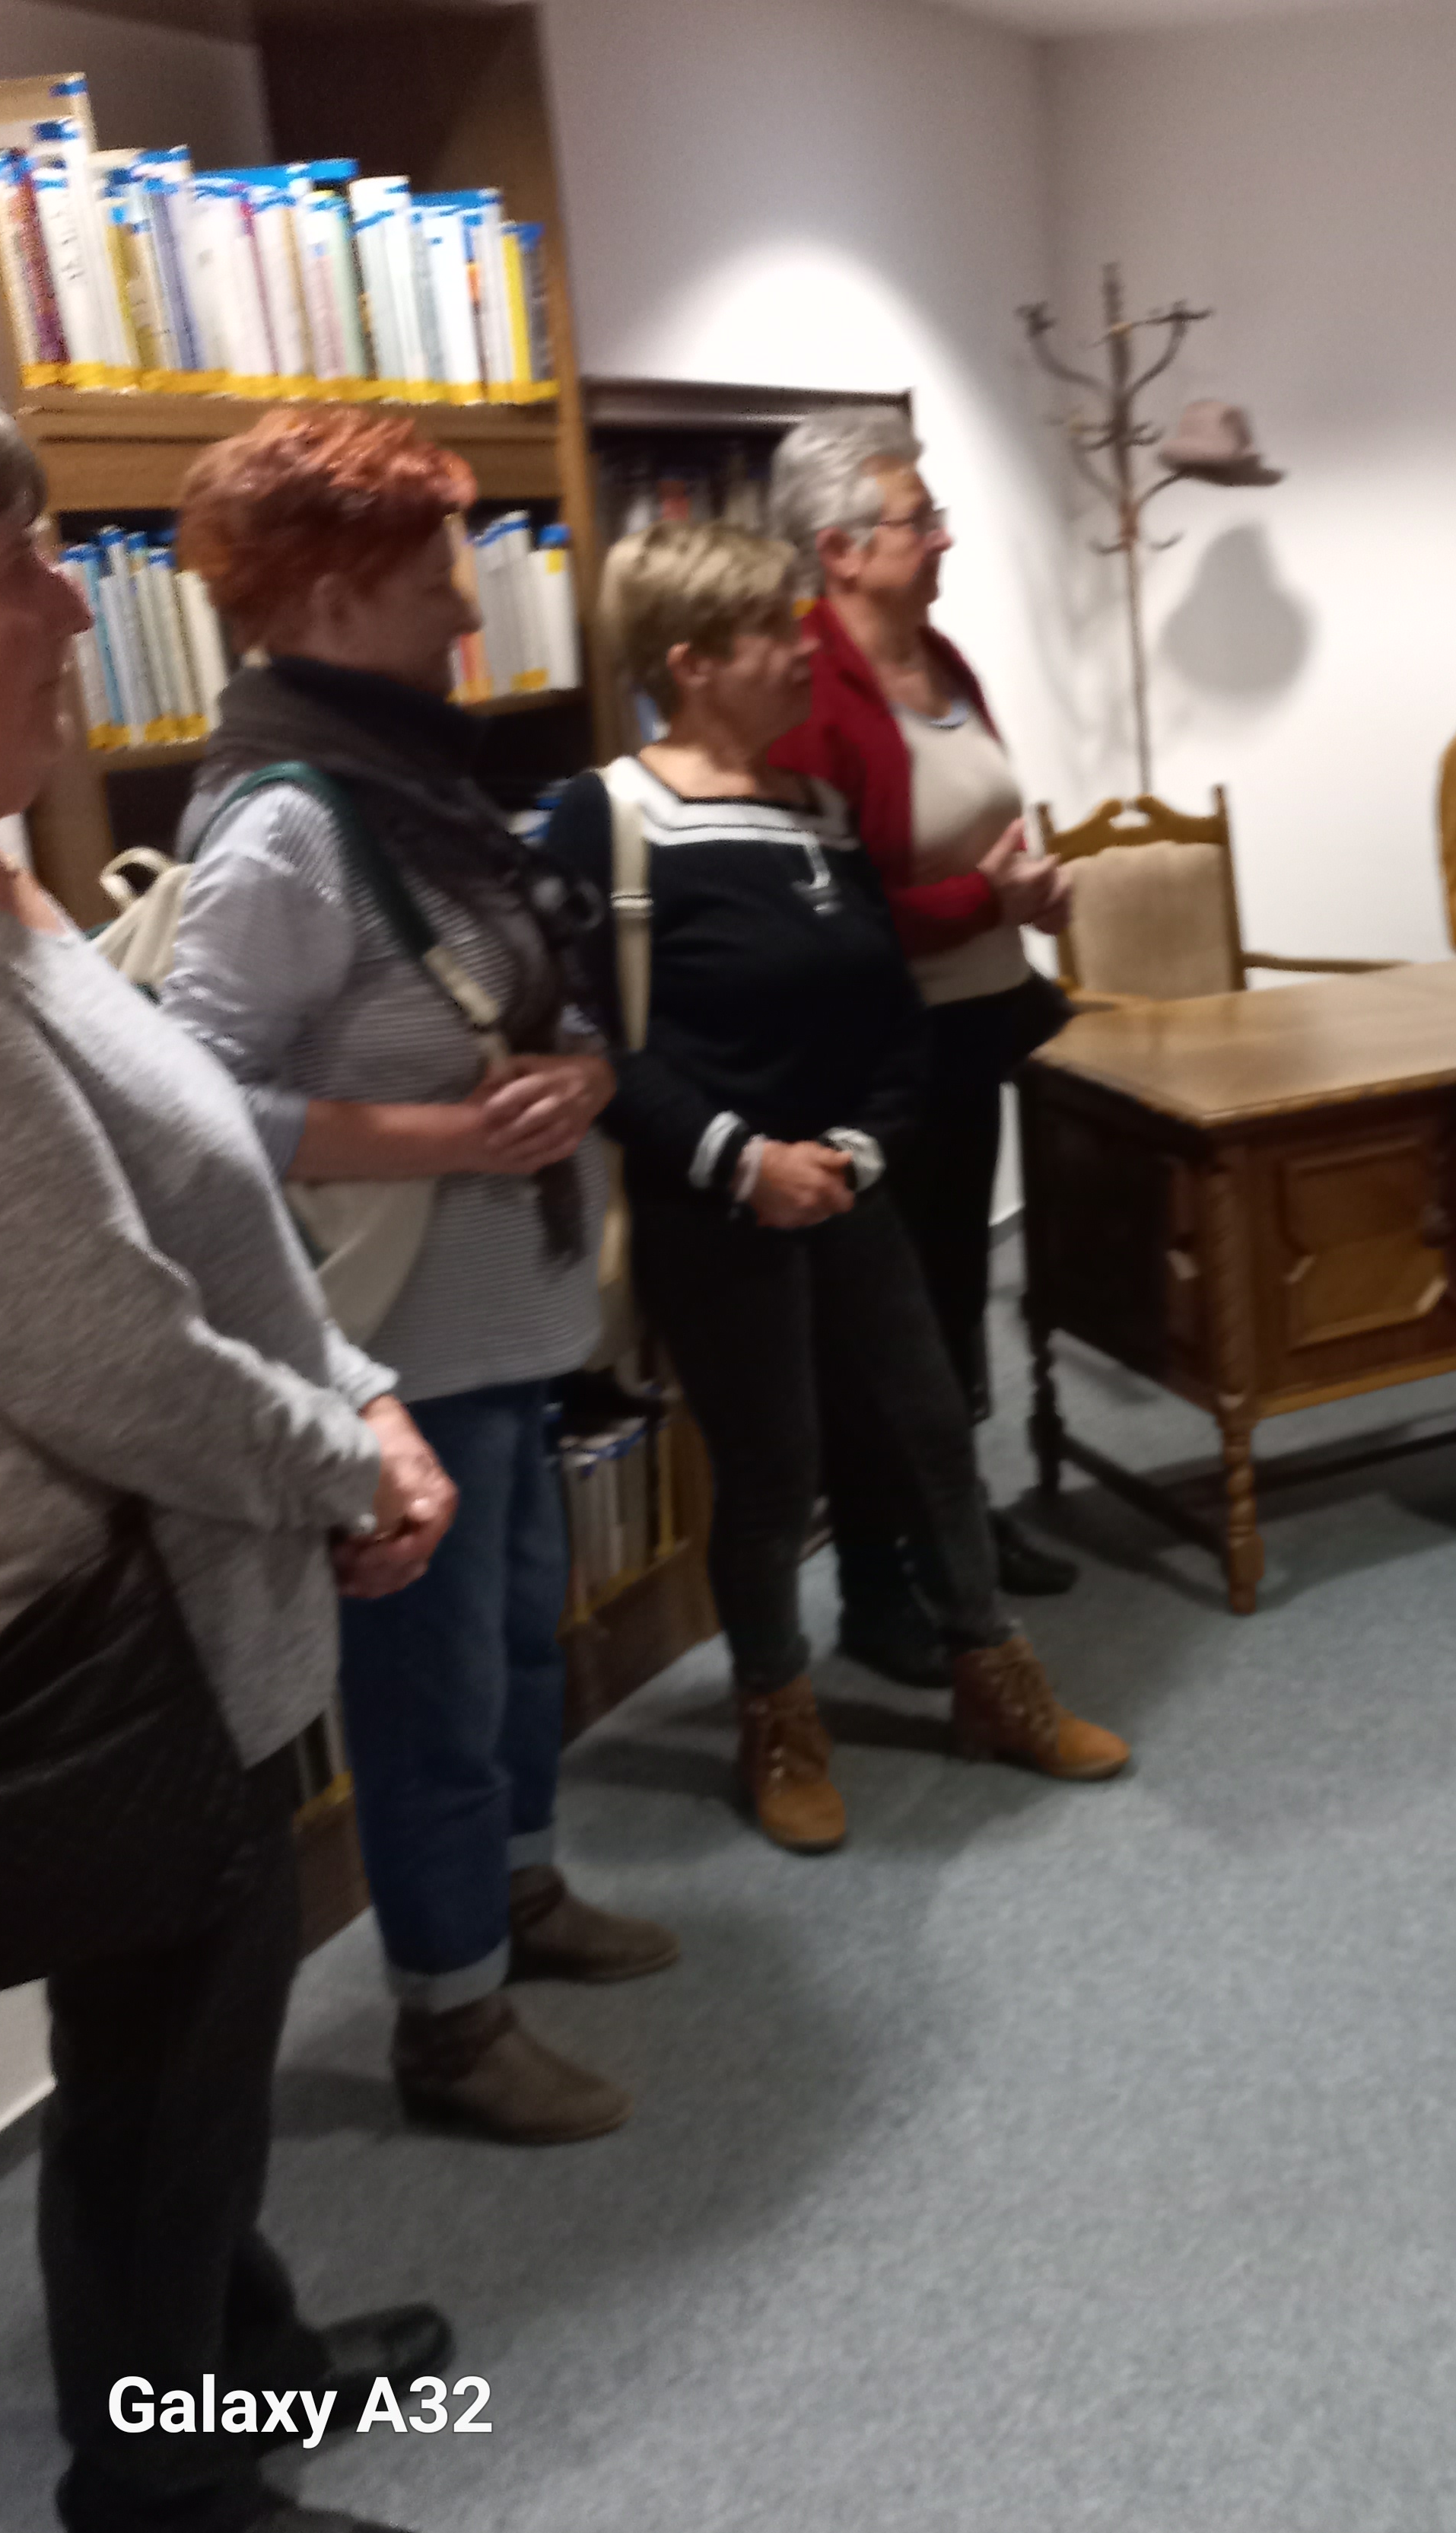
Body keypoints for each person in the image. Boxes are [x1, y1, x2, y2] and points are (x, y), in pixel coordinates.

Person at [0, 371, 445, 2533]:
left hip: (188, 1597)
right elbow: (113, 1357)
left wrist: (356, 1392)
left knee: (189, 2061)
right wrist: (356, 1452)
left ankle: (234, 2373)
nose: (78, 609)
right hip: (95, 1650)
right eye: (16, 566)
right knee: (161, 2095)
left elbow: (200, 1194)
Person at [165, 406, 676, 2146]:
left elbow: (537, 998)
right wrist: (448, 1135)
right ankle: (449, 2022)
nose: (469, 607)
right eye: (433, 573)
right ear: (326, 596)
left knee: (515, 1648)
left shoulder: (414, 780)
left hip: (501, 1325)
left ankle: (515, 1895)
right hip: (398, 1352)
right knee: (431, 1695)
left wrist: (581, 1081)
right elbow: (187, 1108)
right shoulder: (288, 825)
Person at [543, 521, 1130, 1850]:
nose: (800, 650)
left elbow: (890, 1015)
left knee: (930, 1425)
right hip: (714, 1204)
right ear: (692, 663)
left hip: (851, 1185)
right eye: (769, 631)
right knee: (771, 1471)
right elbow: (592, 1045)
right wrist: (744, 1161)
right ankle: (779, 1719)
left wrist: (860, 1148)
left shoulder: (814, 810)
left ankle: (993, 1680)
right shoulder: (607, 817)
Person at [766, 403, 1082, 1688]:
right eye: (918, 520)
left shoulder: (939, 655)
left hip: (977, 1025)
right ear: (839, 549)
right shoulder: (807, 684)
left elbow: (981, 820)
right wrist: (979, 902)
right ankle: (877, 1580)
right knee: (877, 1326)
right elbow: (823, 907)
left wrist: (1027, 895)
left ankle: (959, 1526)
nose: (942, 537)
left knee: (953, 1297)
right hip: (883, 1052)